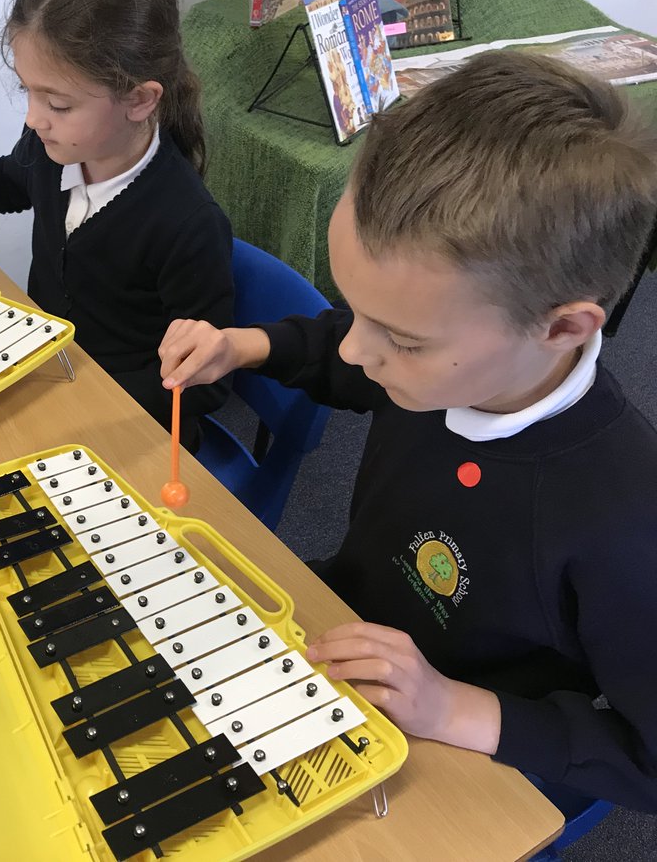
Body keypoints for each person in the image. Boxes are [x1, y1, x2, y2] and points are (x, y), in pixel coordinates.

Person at [158, 51, 657, 812]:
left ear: (562, 326)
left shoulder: (626, 524)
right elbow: (344, 355)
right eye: (357, 312)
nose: (359, 349)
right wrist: (246, 345)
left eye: (401, 338)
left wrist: (451, 707)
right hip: (342, 635)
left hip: (463, 758)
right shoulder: (440, 364)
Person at [0, 0, 233, 448]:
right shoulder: (57, 149)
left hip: (126, 425)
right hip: (43, 374)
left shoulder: (188, 224)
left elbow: (206, 382)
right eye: (28, 91)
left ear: (139, 100)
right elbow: (13, 179)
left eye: (58, 105)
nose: (33, 119)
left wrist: (80, 403)